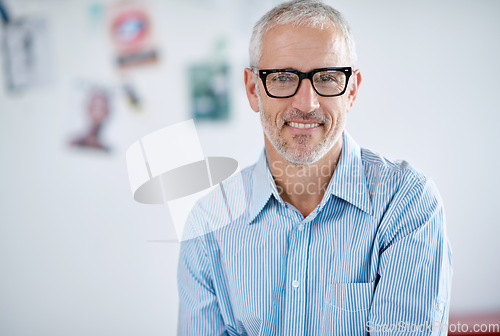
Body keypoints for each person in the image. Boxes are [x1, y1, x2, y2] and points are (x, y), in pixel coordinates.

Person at [177, 1, 452, 335]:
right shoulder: (209, 224)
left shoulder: (406, 205)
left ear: (351, 91)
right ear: (253, 90)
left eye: (327, 77)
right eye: (281, 78)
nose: (306, 104)